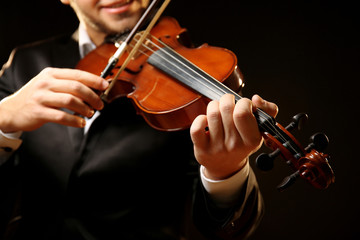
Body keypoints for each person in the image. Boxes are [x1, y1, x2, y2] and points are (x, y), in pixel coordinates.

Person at [0, 0, 278, 239]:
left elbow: (226, 230)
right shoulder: (25, 62)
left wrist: (225, 172)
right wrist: (4, 119)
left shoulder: (194, 79)